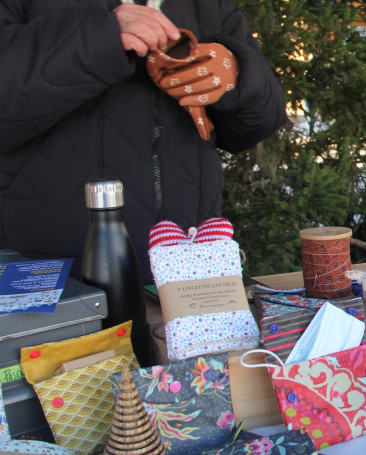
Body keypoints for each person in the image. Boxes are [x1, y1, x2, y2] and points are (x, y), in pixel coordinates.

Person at [0, 0, 287, 279]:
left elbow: (260, 123)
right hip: (46, 273)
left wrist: (236, 75)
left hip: (187, 268)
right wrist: (102, 37)